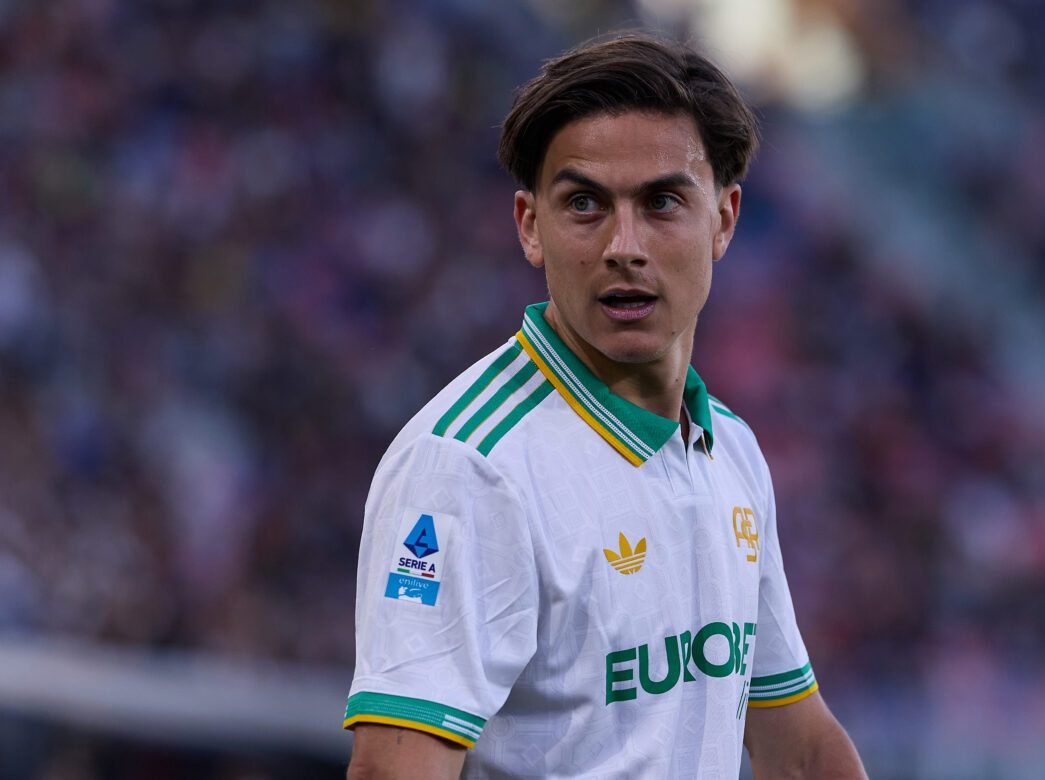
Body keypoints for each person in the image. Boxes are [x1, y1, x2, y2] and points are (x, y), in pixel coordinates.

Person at [344, 32, 867, 779]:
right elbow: (390, 771)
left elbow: (801, 752)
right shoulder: (467, 468)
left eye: (662, 202)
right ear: (531, 226)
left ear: (723, 220)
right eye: (585, 203)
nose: (624, 245)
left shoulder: (730, 451)